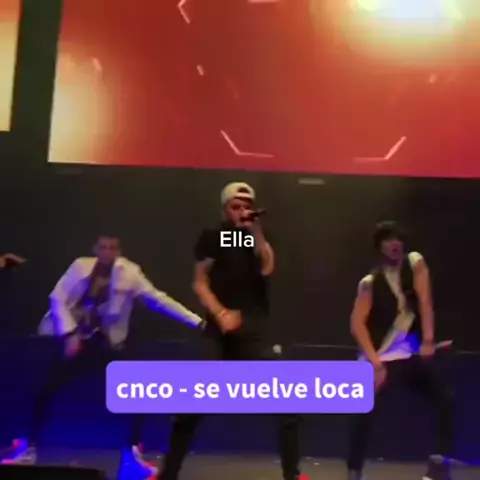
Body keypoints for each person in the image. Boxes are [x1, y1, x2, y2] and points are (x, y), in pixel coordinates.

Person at [0, 234, 205, 478]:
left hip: (110, 345)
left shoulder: (129, 273)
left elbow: (158, 300)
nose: (108, 252)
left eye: (113, 248)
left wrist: (197, 322)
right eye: (103, 247)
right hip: (77, 341)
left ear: (119, 251)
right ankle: (27, 448)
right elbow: (57, 298)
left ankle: (131, 457)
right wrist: (70, 334)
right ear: (95, 249)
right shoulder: (80, 267)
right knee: (45, 388)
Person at [158, 182, 302, 480]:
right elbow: (199, 282)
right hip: (219, 334)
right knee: (191, 406)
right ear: (224, 211)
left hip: (254, 334)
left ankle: (292, 474)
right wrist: (221, 313)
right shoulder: (216, 237)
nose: (242, 211)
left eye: (247, 206)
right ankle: (168, 473)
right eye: (236, 207)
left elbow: (267, 267)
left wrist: (255, 230)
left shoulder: (254, 238)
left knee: (287, 405)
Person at [346, 221, 454, 480]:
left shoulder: (414, 264)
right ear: (380, 246)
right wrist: (376, 365)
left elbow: (425, 302)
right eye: (388, 240)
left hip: (407, 355)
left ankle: (438, 464)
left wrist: (428, 340)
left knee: (445, 399)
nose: (395, 244)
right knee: (363, 413)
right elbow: (356, 325)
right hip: (380, 357)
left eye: (398, 239)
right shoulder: (370, 282)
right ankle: (354, 471)